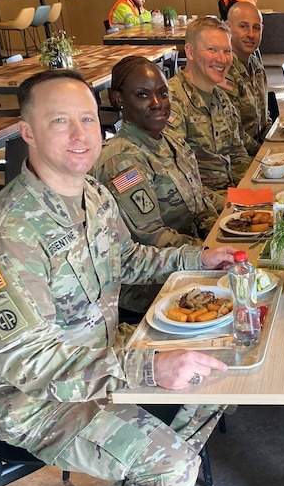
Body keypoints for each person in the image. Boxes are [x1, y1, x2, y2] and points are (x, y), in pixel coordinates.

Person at [0, 69, 239, 486]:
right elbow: (30, 364)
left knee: (227, 367)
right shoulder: (3, 237)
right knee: (173, 469)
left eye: (87, 118)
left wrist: (199, 259)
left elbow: (130, 259)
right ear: (28, 133)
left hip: (103, 355)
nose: (81, 135)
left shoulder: (94, 196)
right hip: (38, 404)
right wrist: (149, 367)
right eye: (60, 122)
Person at [93, 56, 224, 315]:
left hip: (195, 257)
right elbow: (152, 237)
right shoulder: (123, 160)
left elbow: (198, 194)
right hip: (155, 289)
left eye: (162, 93)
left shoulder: (169, 140)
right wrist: (206, 253)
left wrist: (238, 205)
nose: (157, 104)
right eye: (142, 95)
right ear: (119, 99)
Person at [165, 17, 253, 199]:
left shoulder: (221, 97)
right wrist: (235, 203)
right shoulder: (171, 103)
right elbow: (180, 180)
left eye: (227, 51)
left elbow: (237, 153)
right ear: (189, 51)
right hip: (202, 207)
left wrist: (249, 191)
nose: (222, 59)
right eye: (212, 49)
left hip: (232, 197)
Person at [222, 1, 270, 156]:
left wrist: (278, 138)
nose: (251, 34)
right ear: (228, 27)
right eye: (243, 26)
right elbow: (233, 135)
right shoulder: (222, 70)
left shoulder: (256, 65)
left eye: (256, 28)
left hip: (260, 149)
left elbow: (264, 119)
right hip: (239, 157)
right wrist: (265, 153)